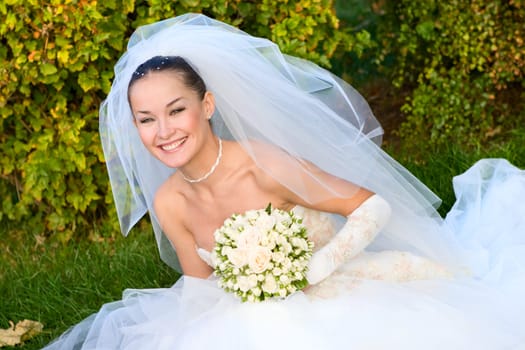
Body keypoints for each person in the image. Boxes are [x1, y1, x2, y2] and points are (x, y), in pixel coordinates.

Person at [44, 13, 525, 349]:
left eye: (176, 111)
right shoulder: (170, 201)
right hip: (254, 314)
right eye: (146, 120)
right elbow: (200, 290)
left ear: (206, 107)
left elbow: (371, 205)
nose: (163, 132)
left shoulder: (264, 164)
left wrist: (316, 267)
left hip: (339, 292)